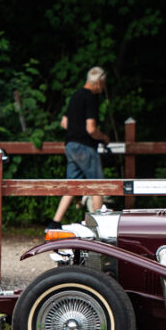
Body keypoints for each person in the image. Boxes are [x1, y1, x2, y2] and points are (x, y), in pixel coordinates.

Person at [49, 66, 109, 228]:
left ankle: (54, 222)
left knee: (72, 185)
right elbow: (91, 129)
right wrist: (103, 137)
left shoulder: (75, 96)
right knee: (98, 184)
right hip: (84, 146)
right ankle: (99, 225)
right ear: (98, 82)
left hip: (70, 145)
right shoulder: (91, 98)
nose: (103, 88)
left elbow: (64, 123)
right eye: (103, 84)